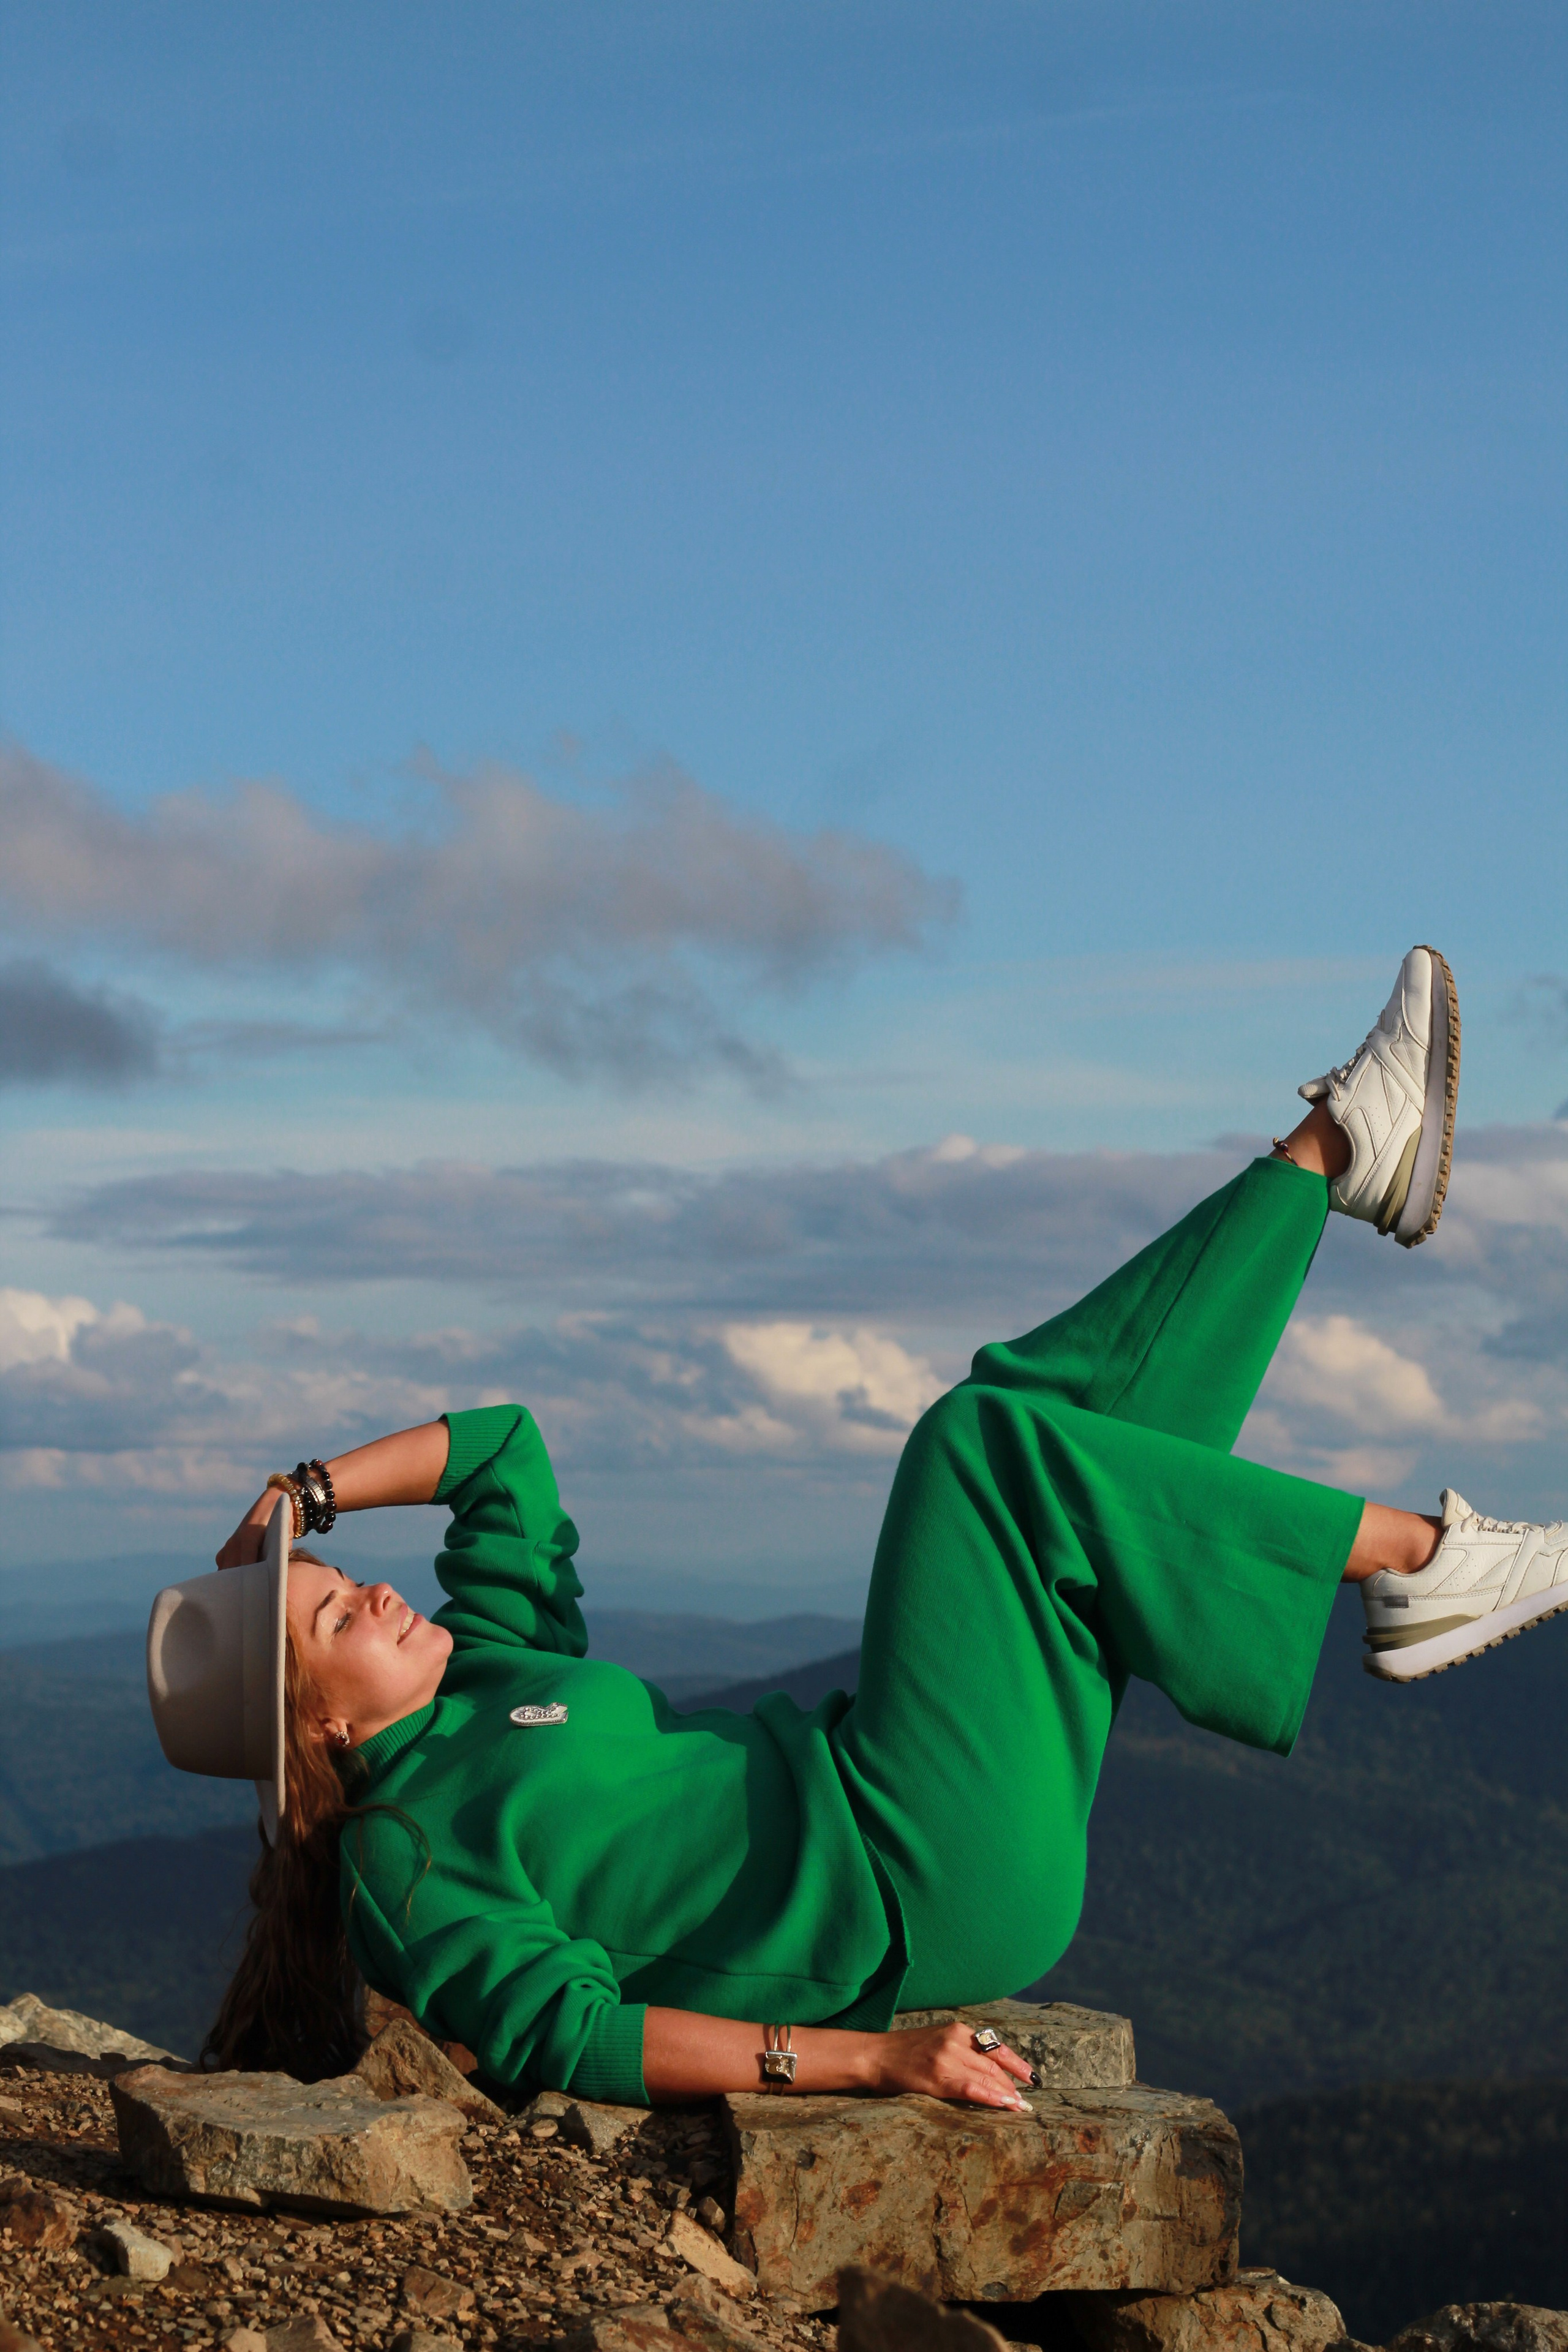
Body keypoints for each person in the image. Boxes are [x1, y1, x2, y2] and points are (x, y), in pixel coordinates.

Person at [146, 946, 1568, 2105]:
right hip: (906, 1874)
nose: (376, 1598)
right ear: (322, 1732)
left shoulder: (492, 1671)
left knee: (1042, 1417)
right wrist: (868, 2061)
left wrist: (313, 1488)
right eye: (334, 1617)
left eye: (347, 1580)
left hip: (890, 1779)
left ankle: (1330, 1150)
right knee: (971, 1450)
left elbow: (504, 1454)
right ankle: (1422, 1565)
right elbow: (566, 2037)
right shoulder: (405, 1859)